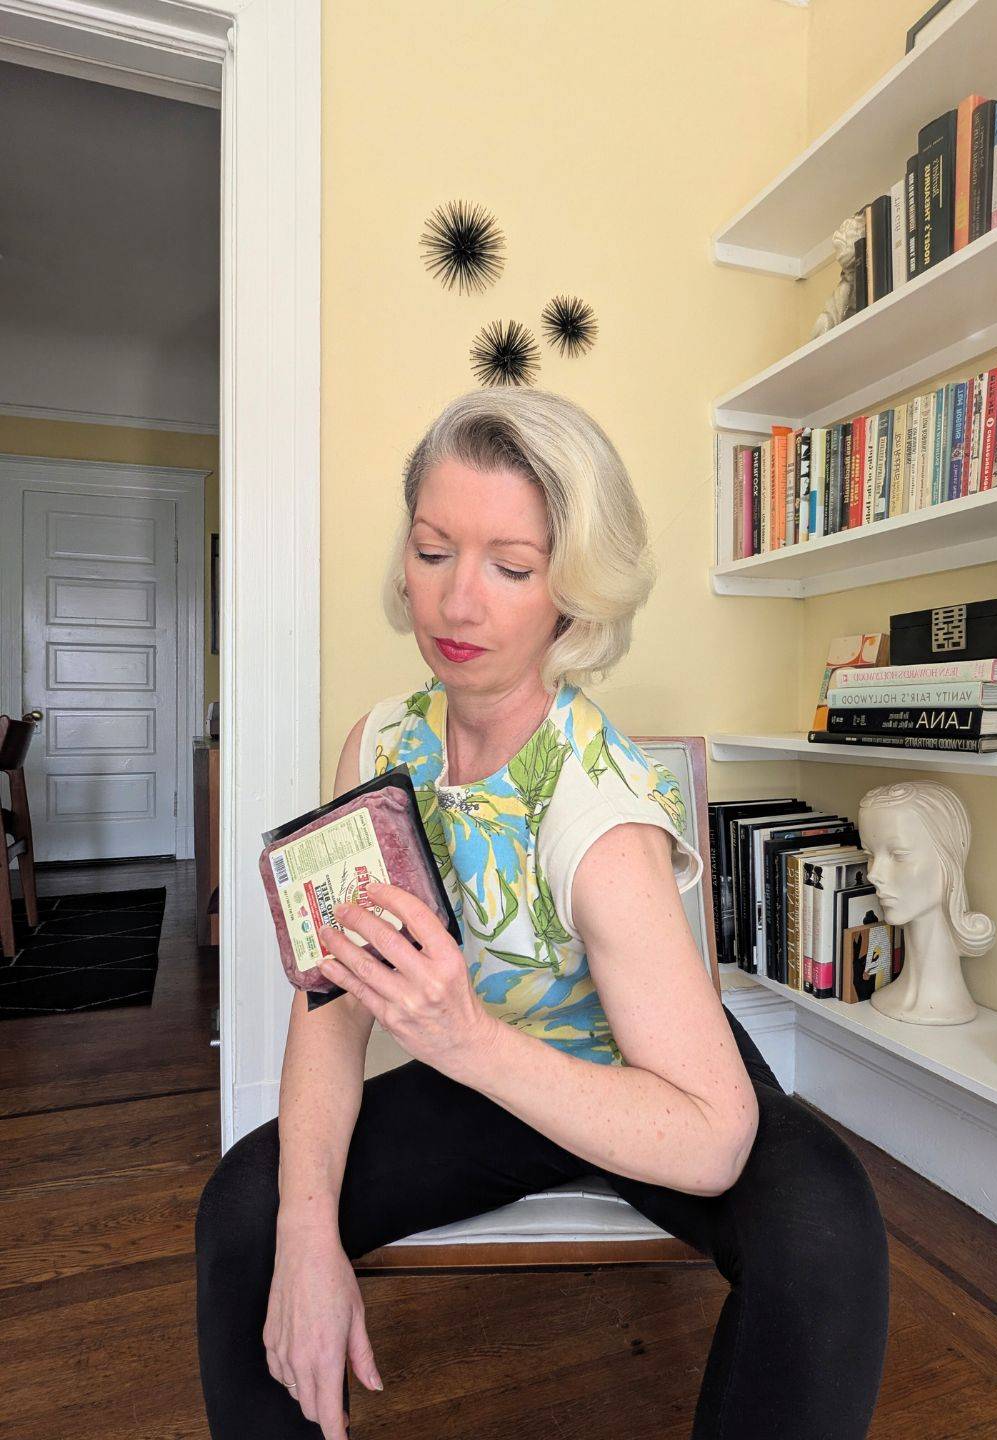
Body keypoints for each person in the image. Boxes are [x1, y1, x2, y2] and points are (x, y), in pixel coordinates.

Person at [195, 388, 890, 1439]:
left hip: (640, 1080)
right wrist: (305, 1240)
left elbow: (709, 1141)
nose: (457, 603)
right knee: (247, 1209)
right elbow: (334, 1007)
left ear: (572, 594)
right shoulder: (379, 749)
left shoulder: (600, 813)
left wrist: (460, 1036)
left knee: (826, 1226)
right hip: (490, 1071)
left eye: (510, 567)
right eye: (434, 551)